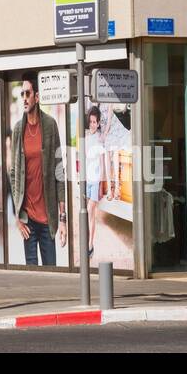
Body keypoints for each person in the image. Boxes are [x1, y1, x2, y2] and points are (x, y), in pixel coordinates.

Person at [7, 73, 65, 266]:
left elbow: (59, 171)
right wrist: (17, 215)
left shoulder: (50, 126)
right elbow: (14, 173)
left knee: (51, 272)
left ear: (37, 97)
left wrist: (62, 218)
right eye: (22, 93)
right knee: (31, 274)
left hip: (47, 218)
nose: (24, 98)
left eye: (27, 93)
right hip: (27, 218)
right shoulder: (18, 130)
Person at [85, 106, 104, 259]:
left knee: (89, 209)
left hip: (96, 179)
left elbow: (102, 162)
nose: (92, 124)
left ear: (98, 123)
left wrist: (101, 183)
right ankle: (90, 245)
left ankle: (90, 244)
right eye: (90, 121)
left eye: (94, 122)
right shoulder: (85, 137)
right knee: (90, 215)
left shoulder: (100, 138)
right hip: (87, 179)